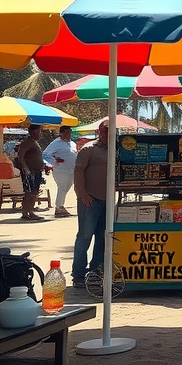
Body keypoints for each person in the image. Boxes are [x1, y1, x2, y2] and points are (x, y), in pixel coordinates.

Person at [72, 120, 109, 287]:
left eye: (111, 130)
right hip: (90, 200)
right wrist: (83, 194)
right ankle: (78, 274)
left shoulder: (116, 149)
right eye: (106, 130)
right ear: (99, 131)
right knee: (85, 237)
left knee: (102, 238)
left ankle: (95, 272)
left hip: (107, 200)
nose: (108, 133)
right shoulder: (88, 149)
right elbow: (78, 173)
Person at [42, 125, 77, 218]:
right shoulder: (56, 143)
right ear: (61, 133)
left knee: (66, 188)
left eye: (69, 132)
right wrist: (54, 161)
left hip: (71, 170)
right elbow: (45, 154)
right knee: (62, 187)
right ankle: (59, 207)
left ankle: (61, 206)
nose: (68, 134)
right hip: (61, 170)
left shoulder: (72, 143)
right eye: (66, 132)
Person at [16, 124, 46, 221]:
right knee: (30, 192)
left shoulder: (34, 142)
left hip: (36, 171)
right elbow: (20, 156)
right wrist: (25, 167)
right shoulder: (27, 143)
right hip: (30, 172)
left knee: (33, 191)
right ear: (33, 132)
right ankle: (28, 212)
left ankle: (27, 212)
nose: (39, 134)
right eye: (38, 132)